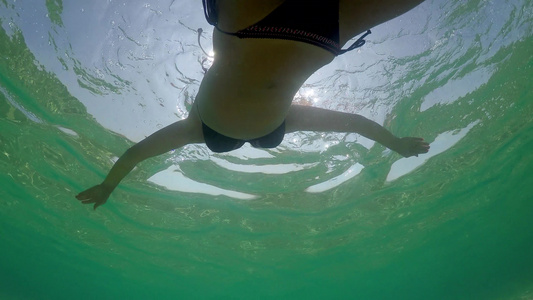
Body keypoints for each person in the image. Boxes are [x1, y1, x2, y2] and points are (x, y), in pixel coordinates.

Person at [76, 0, 430, 210]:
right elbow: (354, 123)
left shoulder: (193, 129)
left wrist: (109, 186)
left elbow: (135, 154)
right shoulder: (285, 119)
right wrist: (395, 144)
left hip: (287, 32)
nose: (246, 141)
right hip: (303, 33)